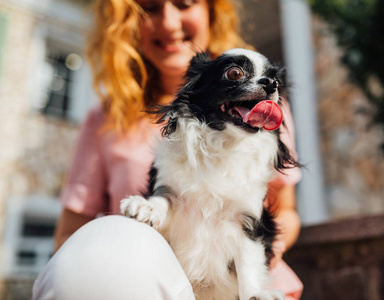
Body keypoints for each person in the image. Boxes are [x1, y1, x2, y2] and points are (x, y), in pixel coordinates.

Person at [33, 0, 303, 299]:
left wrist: (266, 255)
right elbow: (70, 235)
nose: (169, 22)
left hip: (248, 283)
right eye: (150, 7)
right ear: (127, 21)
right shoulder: (104, 119)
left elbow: (285, 211)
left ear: (211, 12)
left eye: (184, 4)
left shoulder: (265, 115)